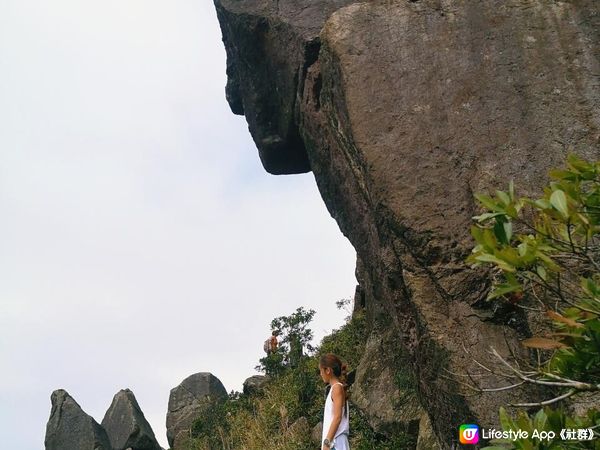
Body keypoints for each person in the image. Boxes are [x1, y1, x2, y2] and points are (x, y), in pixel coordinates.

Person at [319, 353, 350, 450]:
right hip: (335, 442)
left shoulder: (337, 388)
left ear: (328, 370)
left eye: (321, 370)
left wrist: (326, 443)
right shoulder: (335, 388)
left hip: (336, 442)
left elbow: (337, 417)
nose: (320, 374)